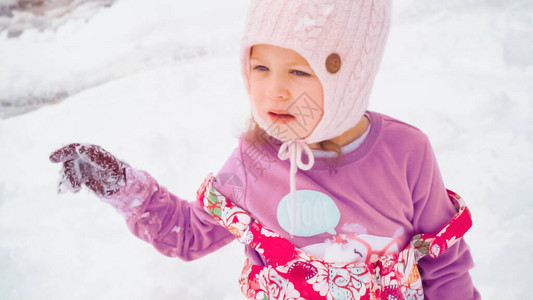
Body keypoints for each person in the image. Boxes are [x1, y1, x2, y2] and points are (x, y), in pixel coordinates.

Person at [49, 0, 481, 299]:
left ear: (349, 77)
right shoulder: (255, 161)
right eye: (260, 67)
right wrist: (118, 184)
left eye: (298, 70)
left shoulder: (406, 153)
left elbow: (443, 263)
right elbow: (191, 234)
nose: (275, 90)